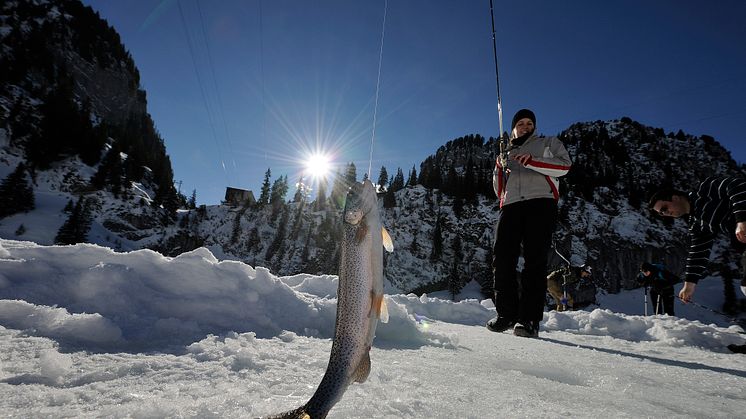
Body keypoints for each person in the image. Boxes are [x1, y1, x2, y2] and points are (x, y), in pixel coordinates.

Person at [486, 109, 572, 337]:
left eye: (530, 123)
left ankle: (530, 319)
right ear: (513, 128)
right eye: (521, 123)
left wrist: (532, 161)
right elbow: (499, 191)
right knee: (502, 258)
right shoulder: (506, 153)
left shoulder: (548, 143)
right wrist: (499, 167)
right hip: (511, 205)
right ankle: (506, 314)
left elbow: (564, 167)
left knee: (535, 261)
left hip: (541, 203)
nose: (526, 127)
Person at [648, 176, 746, 305]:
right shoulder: (696, 224)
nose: (664, 214)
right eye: (661, 213)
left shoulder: (706, 189)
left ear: (675, 197)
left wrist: (742, 220)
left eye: (664, 208)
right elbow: (698, 252)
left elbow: (738, 185)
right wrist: (689, 285)